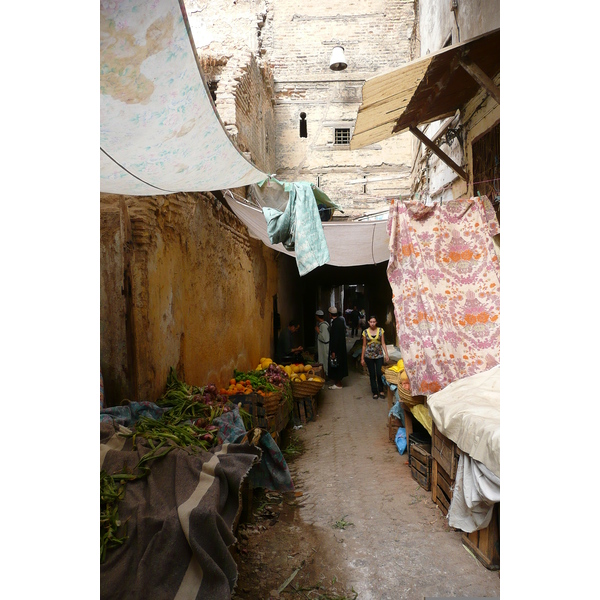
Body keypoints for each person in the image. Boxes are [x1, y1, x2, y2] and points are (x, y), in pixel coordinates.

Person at [360, 315, 390, 399]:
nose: (372, 324)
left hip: (379, 355)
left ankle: (381, 390)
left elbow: (383, 343)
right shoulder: (365, 332)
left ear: (376, 322)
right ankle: (375, 392)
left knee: (379, 373)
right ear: (368, 322)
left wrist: (386, 354)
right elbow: (363, 345)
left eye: (374, 322)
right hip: (368, 356)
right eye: (371, 322)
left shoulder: (381, 330)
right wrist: (362, 358)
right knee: (372, 374)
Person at [327, 307, 348, 389]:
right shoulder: (340, 321)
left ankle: (338, 384)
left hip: (337, 349)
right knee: (339, 364)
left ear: (330, 314)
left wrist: (333, 351)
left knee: (336, 365)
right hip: (341, 347)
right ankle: (337, 382)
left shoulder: (335, 323)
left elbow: (335, 338)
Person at [314, 310, 330, 376]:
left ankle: (326, 374)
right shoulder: (322, 325)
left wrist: (318, 331)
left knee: (324, 362)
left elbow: (325, 338)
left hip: (324, 347)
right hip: (322, 347)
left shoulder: (324, 326)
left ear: (317, 317)